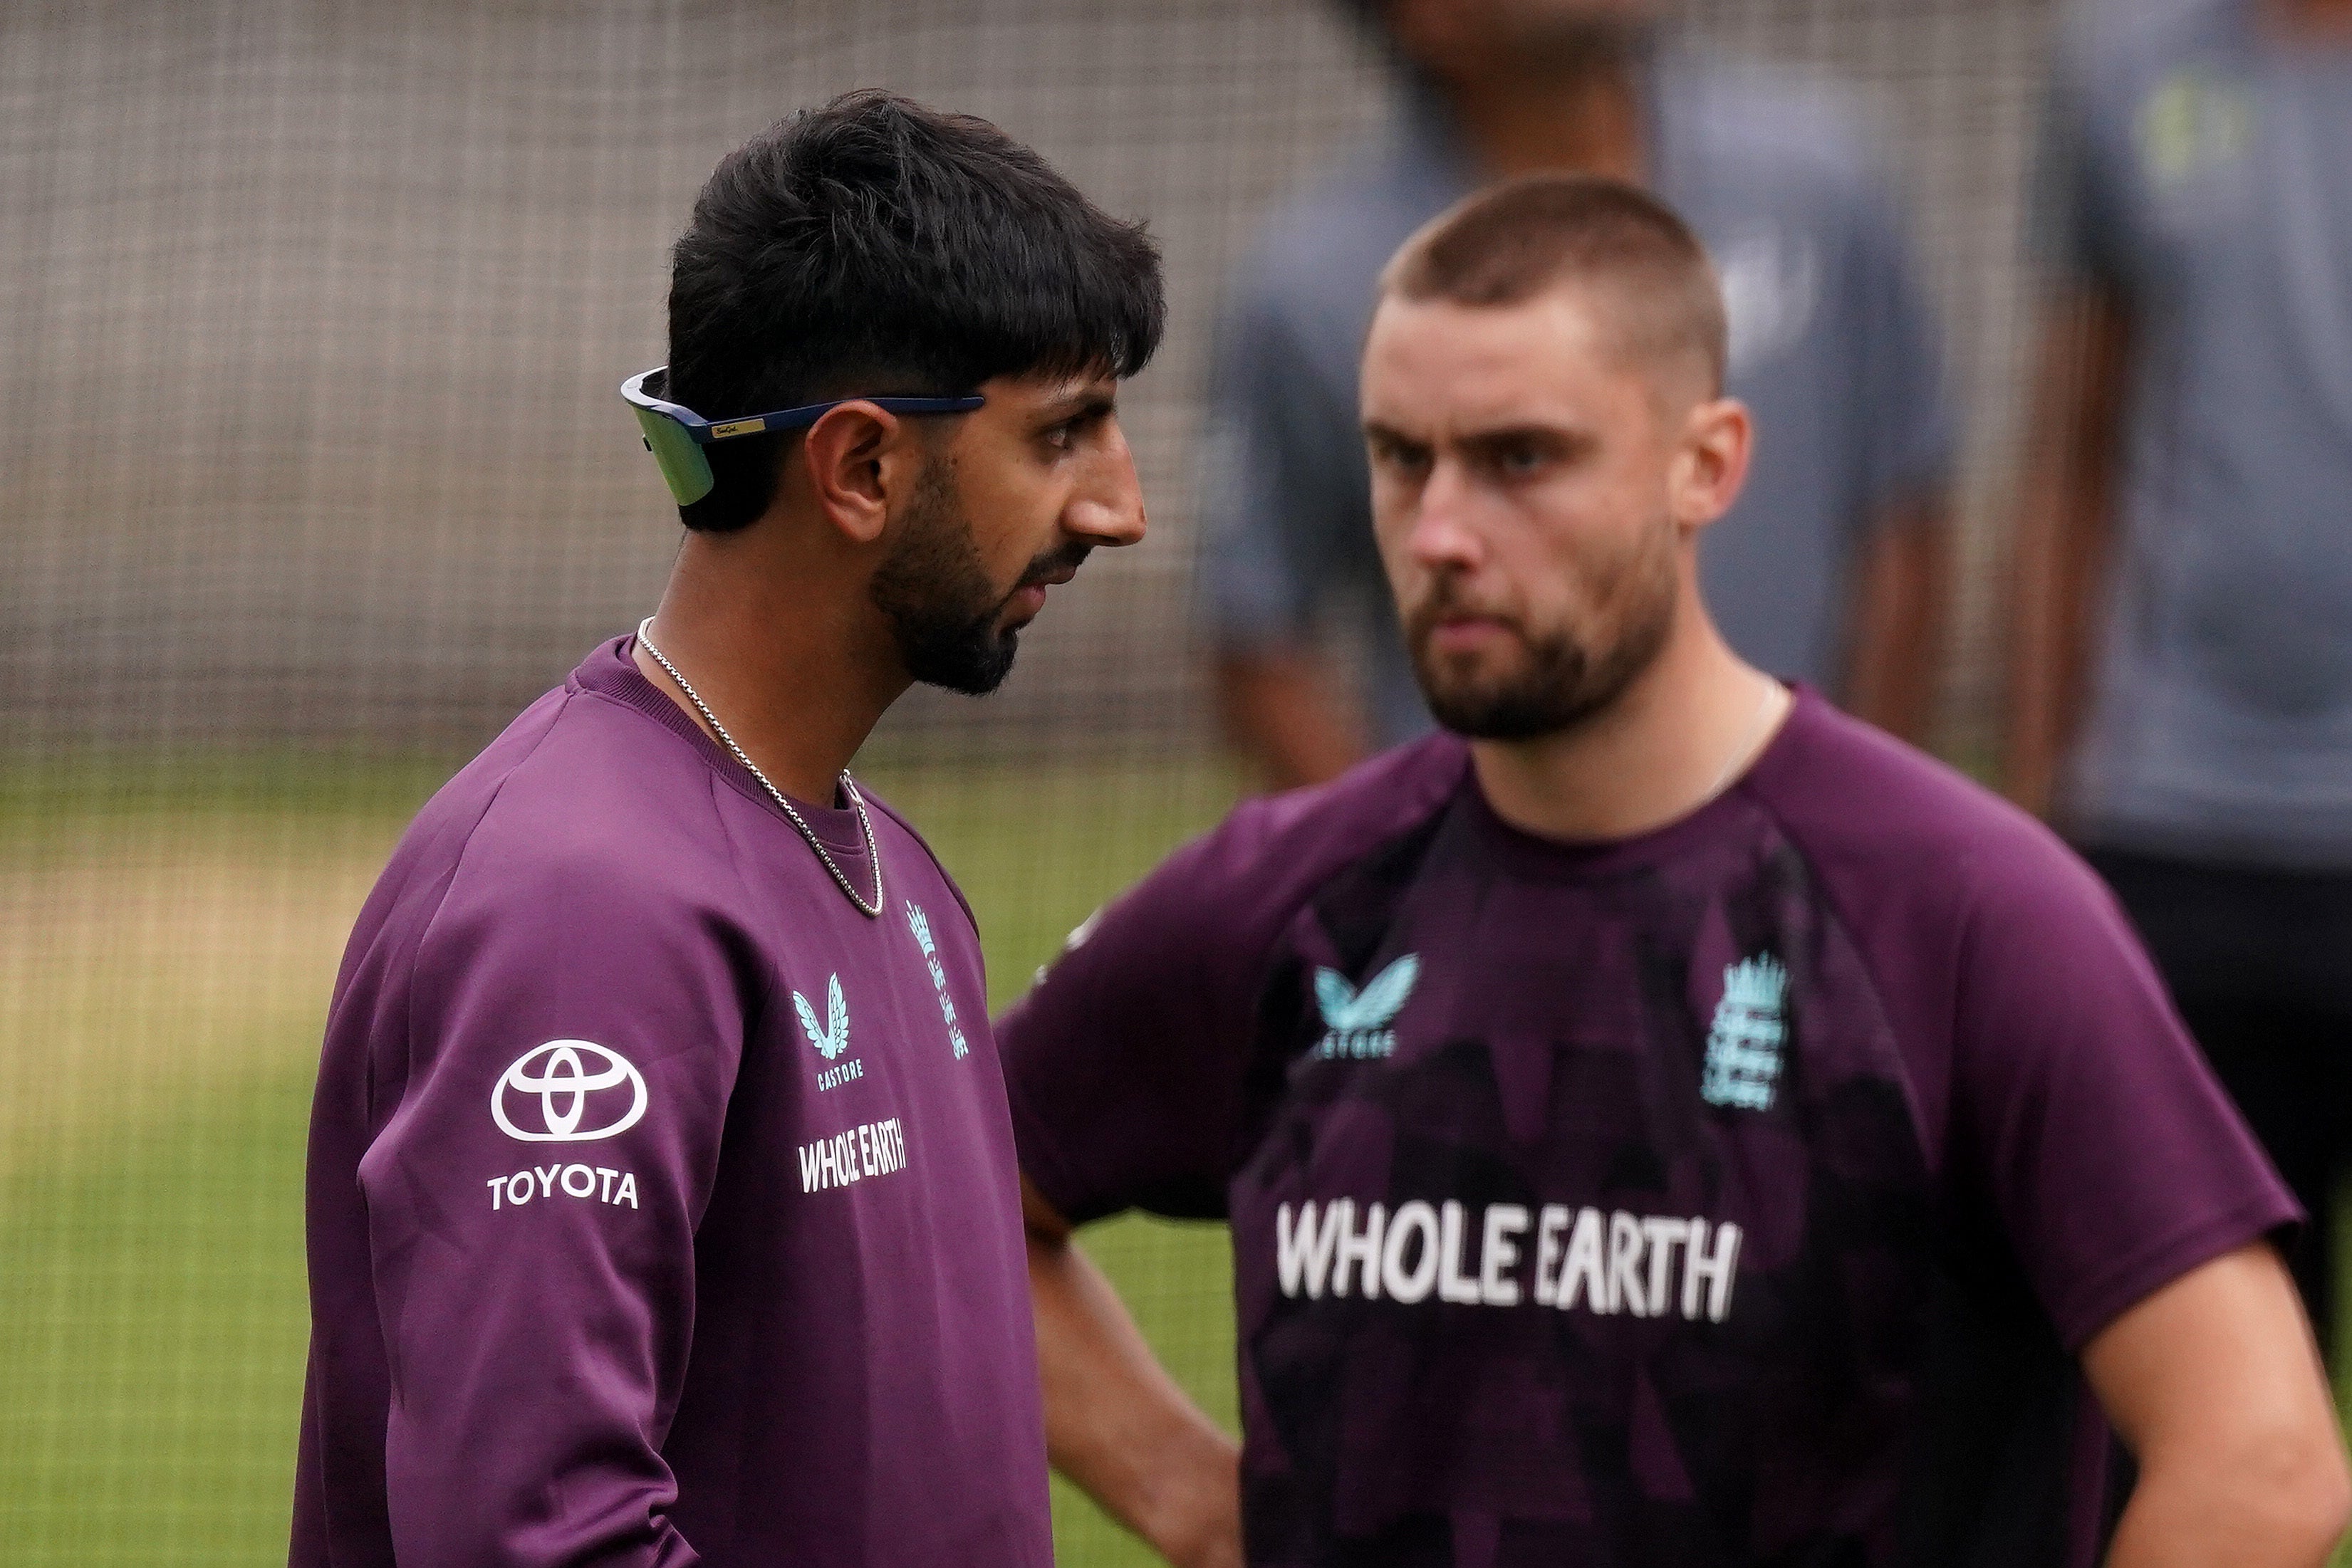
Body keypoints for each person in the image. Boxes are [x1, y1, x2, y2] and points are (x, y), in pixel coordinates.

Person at [1006, 177, 2347, 1568]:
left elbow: (2258, 1461)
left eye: (1521, 459)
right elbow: (959, 1186)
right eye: (1403, 458)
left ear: (1705, 463)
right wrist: (1196, 1504)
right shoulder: (1280, 900)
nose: (1441, 532)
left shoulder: (1959, 912)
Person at [288, 90, 1161, 1568]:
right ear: (863, 468)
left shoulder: (893, 874)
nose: (1120, 506)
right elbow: (537, 1539)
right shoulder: (580, 909)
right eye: (1064, 433)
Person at [1200, 0, 1955, 790]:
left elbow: (1902, 507)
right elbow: (1258, 630)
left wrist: (1847, 818)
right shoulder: (1308, 285)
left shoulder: (1818, 183)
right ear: (1429, 16)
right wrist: (1410, 883)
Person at [2008, 0, 2352, 1365]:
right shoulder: (2120, 55)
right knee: (2199, 1393)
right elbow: (2072, 446)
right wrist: (2045, 807)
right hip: (2171, 825)